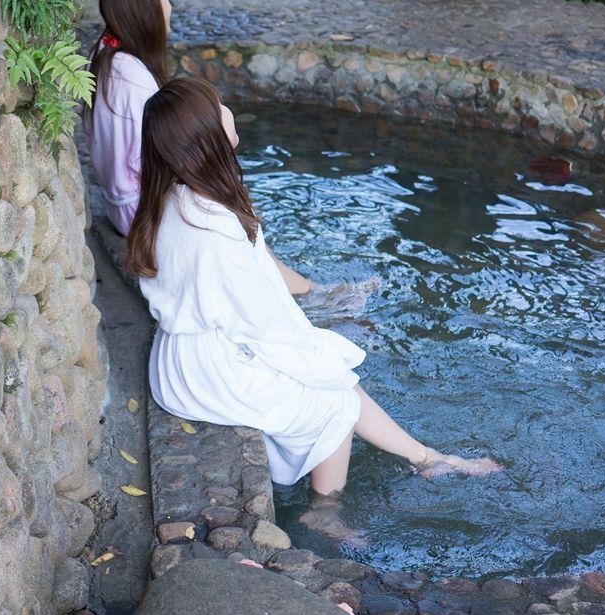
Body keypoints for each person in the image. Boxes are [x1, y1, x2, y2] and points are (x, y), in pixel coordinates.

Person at [124, 77, 501, 540]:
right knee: (334, 398)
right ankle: (324, 509)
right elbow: (263, 324)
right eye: (219, 104)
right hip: (210, 371)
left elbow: (257, 287)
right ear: (207, 136)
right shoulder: (213, 227)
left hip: (184, 356)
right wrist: (321, 358)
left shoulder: (180, 200)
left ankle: (427, 458)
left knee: (334, 369)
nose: (228, 107)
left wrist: (322, 313)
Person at [84, 0, 373, 322]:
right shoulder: (134, 81)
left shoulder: (107, 57)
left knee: (232, 203)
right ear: (143, 7)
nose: (170, 5)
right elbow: (162, 158)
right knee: (233, 209)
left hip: (122, 204)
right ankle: (312, 296)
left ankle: (307, 290)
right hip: (139, 212)